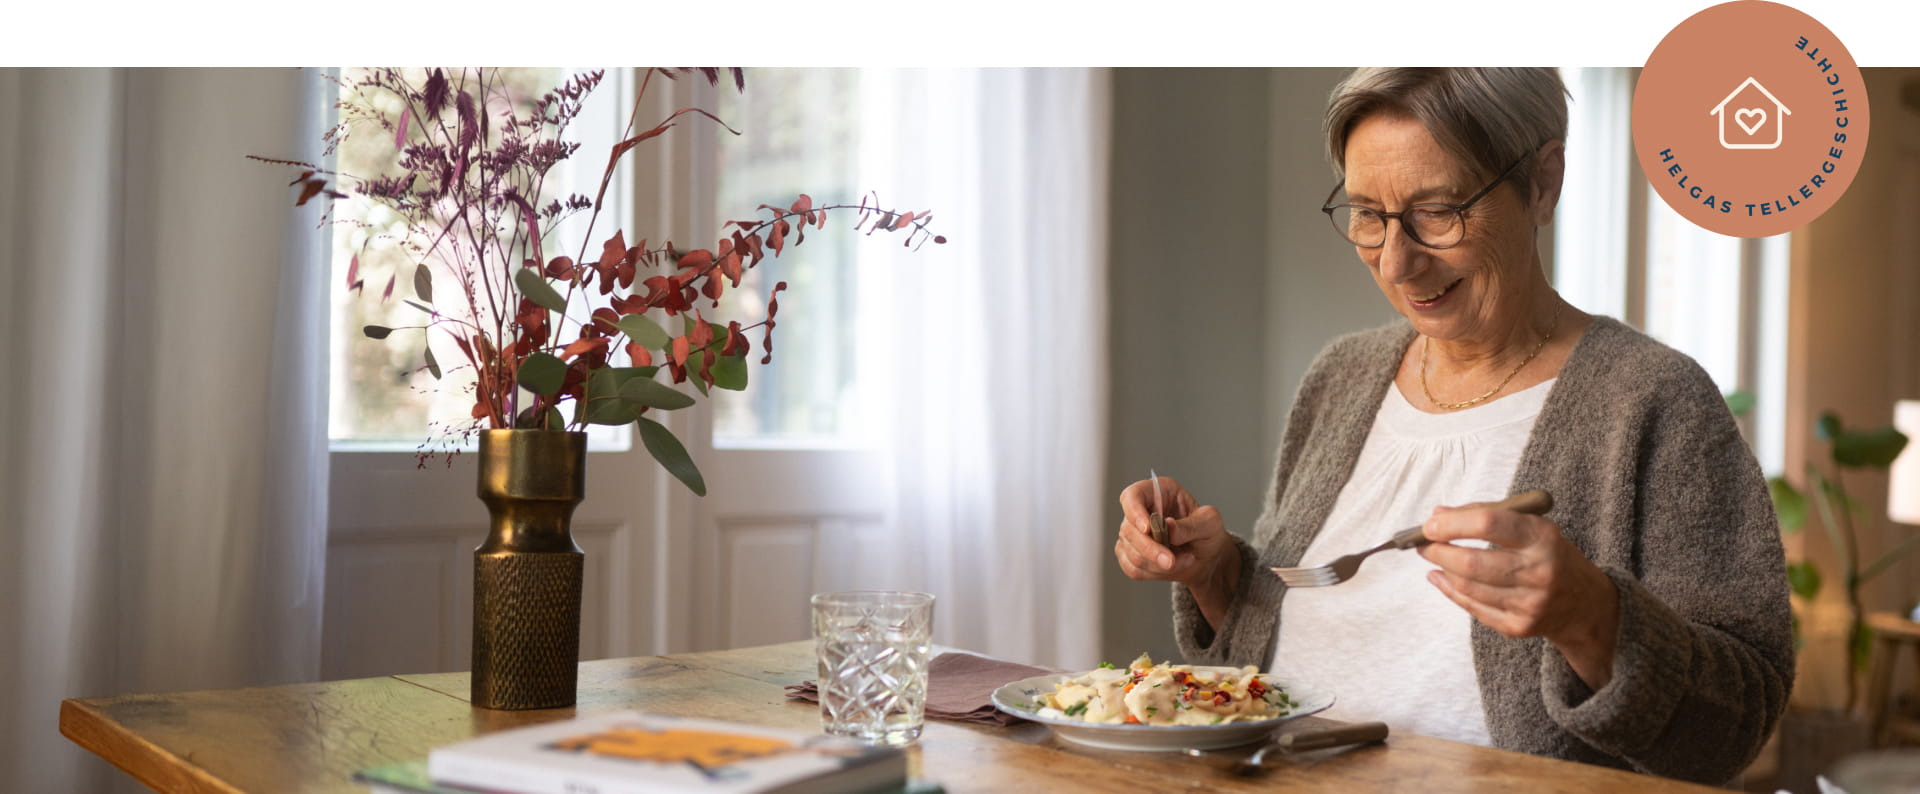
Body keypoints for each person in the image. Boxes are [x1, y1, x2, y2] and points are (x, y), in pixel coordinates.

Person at [1112, 67, 1791, 786]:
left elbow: (1737, 724)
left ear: (1544, 182)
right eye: (1368, 213)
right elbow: (1285, 654)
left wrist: (1592, 618)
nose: (1398, 263)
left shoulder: (1654, 401)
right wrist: (1217, 575)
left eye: (1438, 211)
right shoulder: (1341, 376)